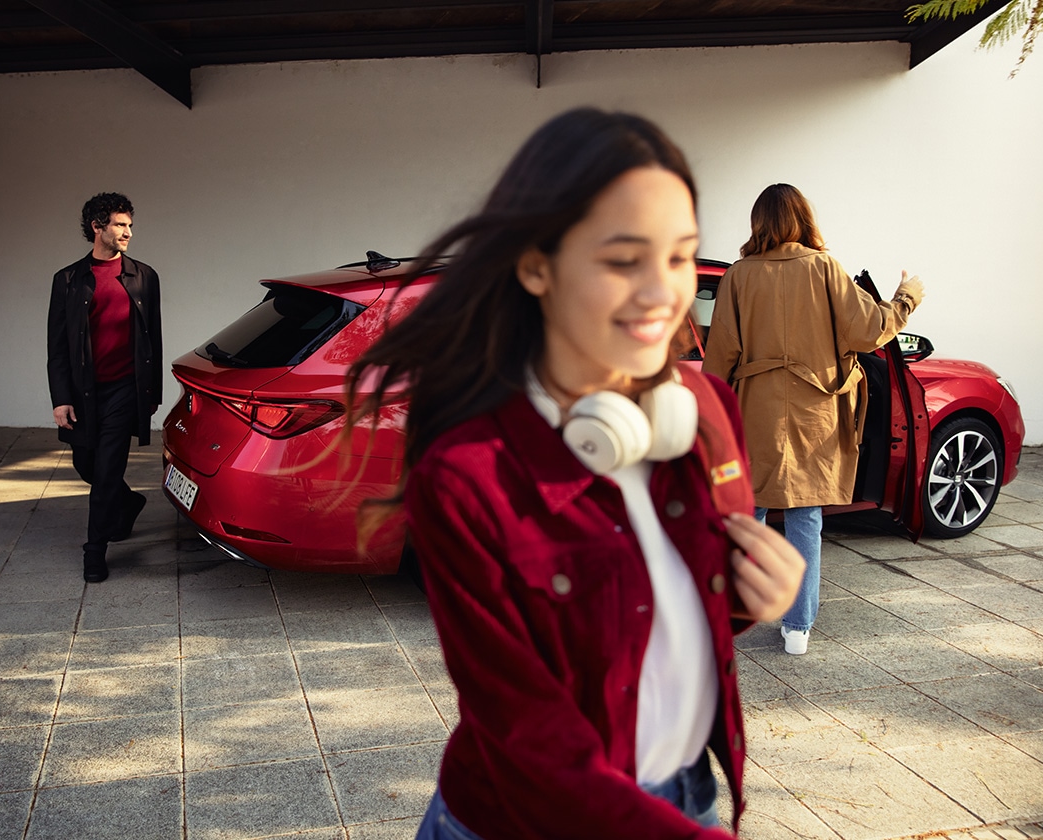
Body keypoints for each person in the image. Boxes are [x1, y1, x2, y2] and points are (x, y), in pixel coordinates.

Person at [342, 109, 805, 839]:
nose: (662, 292)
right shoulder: (468, 479)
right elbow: (531, 745)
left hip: (687, 795)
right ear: (536, 264)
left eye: (682, 257)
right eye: (624, 260)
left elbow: (674, 611)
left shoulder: (706, 408)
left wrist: (754, 597)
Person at [703, 183, 924, 655]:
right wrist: (906, 297)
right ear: (803, 218)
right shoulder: (825, 268)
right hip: (814, 414)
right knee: (805, 516)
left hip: (753, 409)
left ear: (758, 222)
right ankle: (797, 628)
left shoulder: (739, 275)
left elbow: (720, 354)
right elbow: (870, 331)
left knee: (745, 514)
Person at [46, 192, 163, 583]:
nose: (128, 232)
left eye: (130, 225)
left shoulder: (144, 276)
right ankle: (128, 504)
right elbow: (58, 346)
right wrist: (61, 398)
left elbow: (154, 339)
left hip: (125, 389)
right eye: (120, 225)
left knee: (108, 467)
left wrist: (152, 392)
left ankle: (94, 550)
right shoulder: (67, 280)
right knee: (85, 464)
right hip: (83, 392)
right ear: (97, 228)